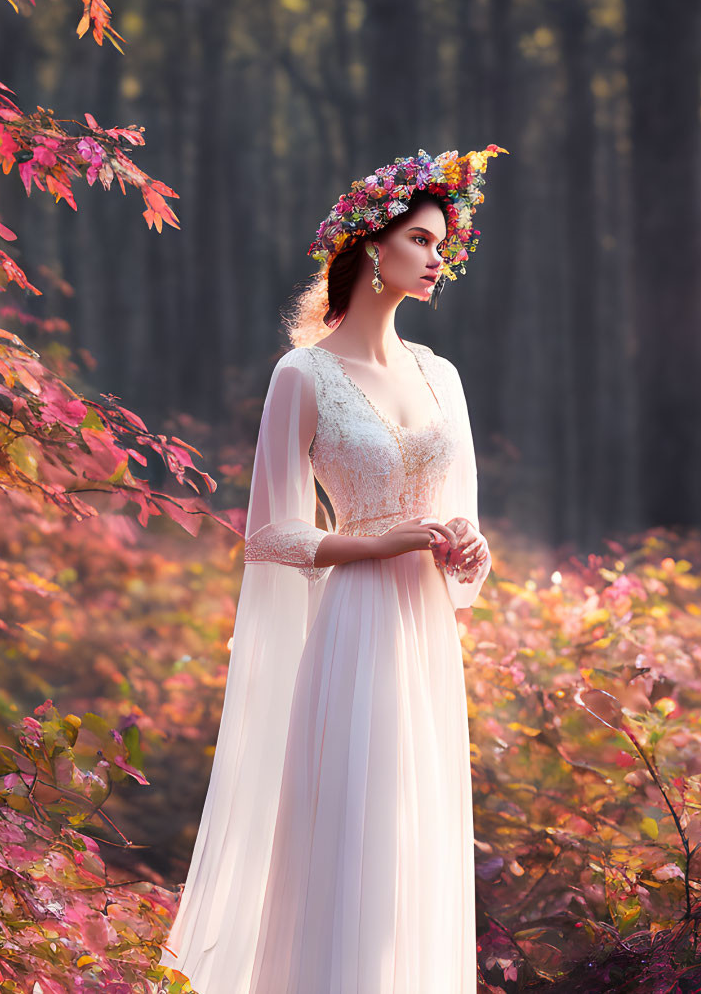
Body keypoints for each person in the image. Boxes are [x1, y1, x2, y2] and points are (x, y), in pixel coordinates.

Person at [160, 145, 507, 993]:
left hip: (425, 636)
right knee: (357, 833)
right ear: (370, 247)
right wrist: (375, 541)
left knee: (415, 841)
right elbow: (271, 534)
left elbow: (460, 520)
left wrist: (472, 548)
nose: (438, 258)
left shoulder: (442, 376)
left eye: (442, 245)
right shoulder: (302, 375)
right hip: (352, 627)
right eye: (423, 240)